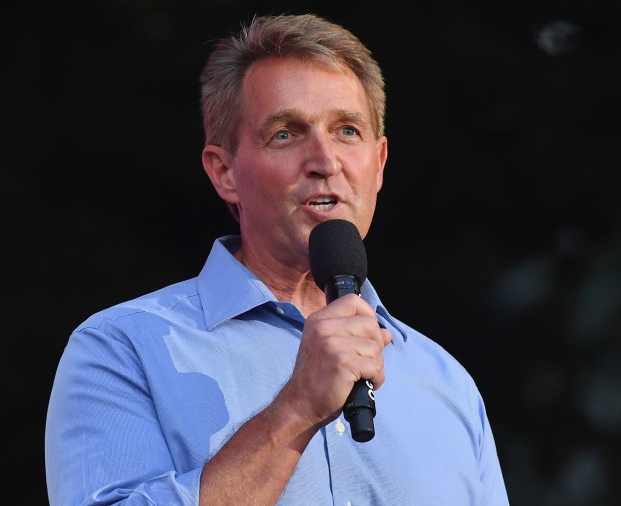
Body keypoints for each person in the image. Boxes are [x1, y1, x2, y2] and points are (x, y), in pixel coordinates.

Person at [45, 13, 509, 505]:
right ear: (224, 171)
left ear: (379, 164)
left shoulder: (446, 384)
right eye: (285, 134)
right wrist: (295, 409)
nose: (325, 161)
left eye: (347, 131)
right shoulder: (122, 350)